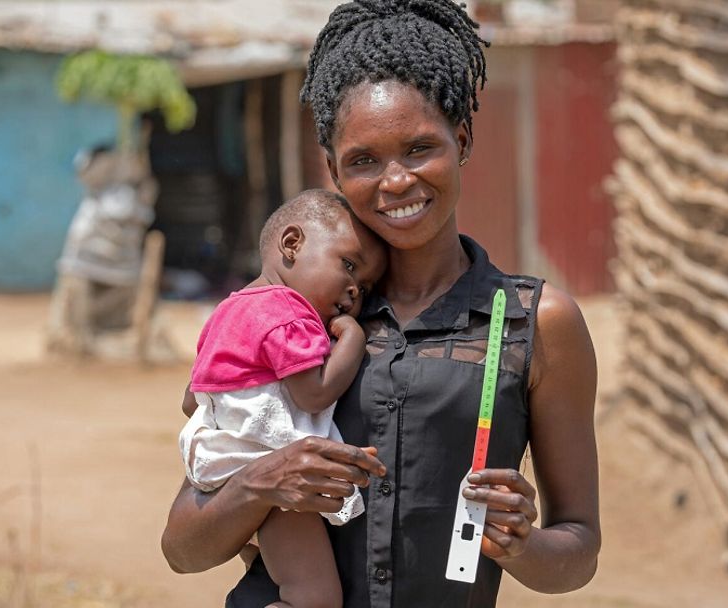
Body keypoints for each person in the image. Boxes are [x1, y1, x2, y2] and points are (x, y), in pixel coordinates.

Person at [162, 1, 601, 606]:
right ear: (334, 173)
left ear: (463, 140)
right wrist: (262, 482)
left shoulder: (535, 324)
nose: (395, 181)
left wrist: (523, 543)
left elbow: (577, 555)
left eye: (419, 148)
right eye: (364, 160)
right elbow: (182, 549)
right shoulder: (291, 321)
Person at [178, 189, 386, 608]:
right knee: (316, 599)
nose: (352, 294)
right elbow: (314, 393)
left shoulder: (230, 309)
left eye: (363, 288)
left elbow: (191, 400)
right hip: (276, 478)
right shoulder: (290, 314)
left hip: (221, 474)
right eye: (348, 266)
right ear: (292, 245)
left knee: (273, 576)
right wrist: (353, 340)